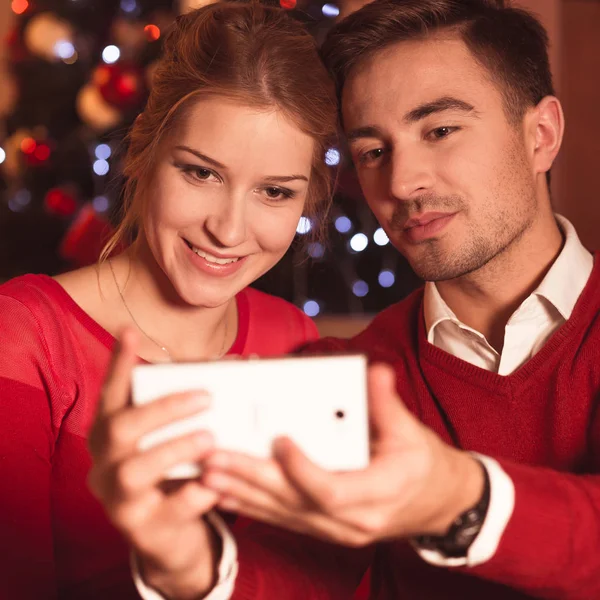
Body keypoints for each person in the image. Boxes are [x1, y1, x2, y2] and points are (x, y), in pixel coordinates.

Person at [89, 0, 600, 598]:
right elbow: (293, 575)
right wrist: (186, 565)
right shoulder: (345, 377)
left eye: (439, 131)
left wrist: (460, 499)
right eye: (372, 152)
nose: (402, 183)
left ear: (541, 135)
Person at [0, 2, 341, 598]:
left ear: (307, 200)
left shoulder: (298, 342)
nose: (229, 231)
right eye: (200, 174)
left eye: (274, 192)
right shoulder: (24, 336)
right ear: (145, 153)